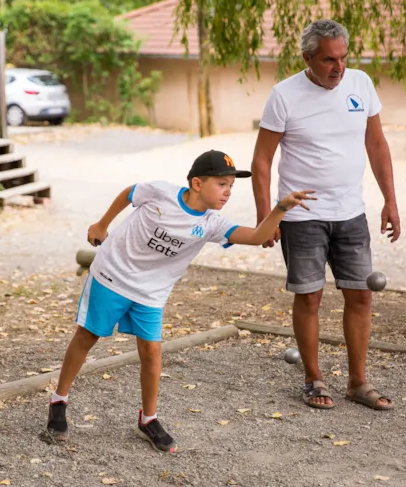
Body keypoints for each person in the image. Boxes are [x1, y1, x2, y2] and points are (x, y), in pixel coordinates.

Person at [44, 150, 316, 452]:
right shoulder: (161, 193)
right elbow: (129, 193)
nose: (227, 192)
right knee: (87, 336)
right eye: (221, 184)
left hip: (151, 291)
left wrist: (280, 208)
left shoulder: (212, 223)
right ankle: (59, 401)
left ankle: (148, 419)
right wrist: (101, 224)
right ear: (197, 183)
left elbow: (255, 237)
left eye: (231, 186)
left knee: (152, 351)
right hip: (113, 274)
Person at [251, 19, 401, 411]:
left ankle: (358, 382)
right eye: (329, 60)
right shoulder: (284, 95)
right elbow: (262, 160)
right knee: (310, 296)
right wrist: (267, 218)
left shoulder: (360, 84)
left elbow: (377, 144)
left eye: (344, 58)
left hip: (351, 211)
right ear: (308, 58)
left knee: (361, 296)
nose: (339, 67)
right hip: (301, 214)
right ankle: (313, 379)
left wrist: (391, 200)